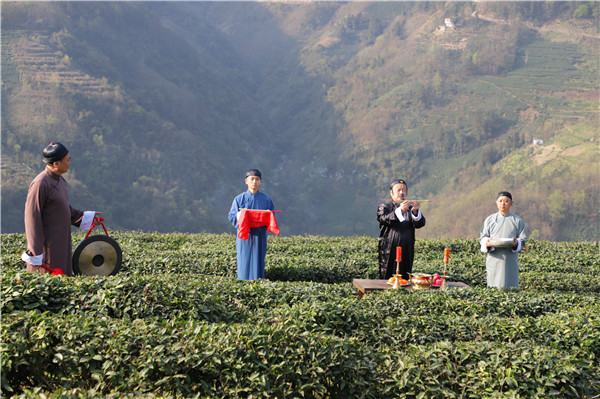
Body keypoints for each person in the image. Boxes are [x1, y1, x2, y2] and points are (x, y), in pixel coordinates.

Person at [22, 142, 101, 276]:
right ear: (56, 164)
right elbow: (32, 218)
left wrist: (86, 217)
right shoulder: (40, 184)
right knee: (50, 285)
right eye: (68, 160)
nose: (70, 163)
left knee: (64, 281)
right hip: (47, 248)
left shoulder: (61, 181)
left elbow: (64, 210)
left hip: (62, 243)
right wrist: (36, 253)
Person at [228, 169, 275, 280]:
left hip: (260, 236)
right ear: (246, 181)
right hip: (245, 236)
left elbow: (272, 217)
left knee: (258, 262)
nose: (254, 182)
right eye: (252, 179)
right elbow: (231, 216)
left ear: (260, 182)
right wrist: (242, 215)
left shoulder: (266, 199)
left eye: (257, 179)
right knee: (244, 262)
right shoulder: (239, 199)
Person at [377, 178, 426, 280]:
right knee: (388, 277)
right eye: (398, 190)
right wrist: (401, 210)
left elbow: (420, 223)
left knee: (405, 277)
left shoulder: (410, 209)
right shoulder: (384, 207)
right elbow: (384, 219)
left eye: (404, 190)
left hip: (407, 249)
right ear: (392, 193)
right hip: (389, 249)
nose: (401, 192)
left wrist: (416, 211)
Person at [480, 191, 527, 289]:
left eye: (506, 201)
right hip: (494, 258)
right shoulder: (490, 220)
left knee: (510, 287)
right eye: (500, 201)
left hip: (510, 259)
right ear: (496, 202)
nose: (503, 203)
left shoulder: (517, 220)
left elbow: (523, 239)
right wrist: (487, 242)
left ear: (511, 203)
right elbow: (483, 236)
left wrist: (516, 243)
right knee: (494, 287)